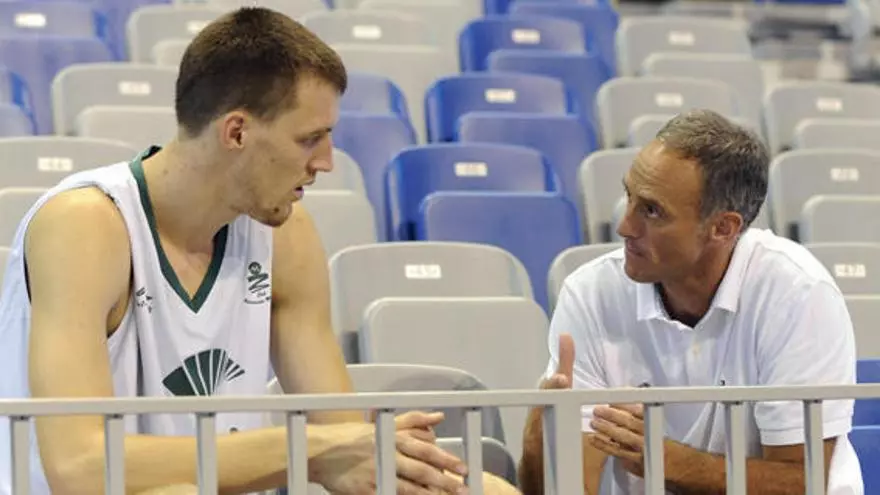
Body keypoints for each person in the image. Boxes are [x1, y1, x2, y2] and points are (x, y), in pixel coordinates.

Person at [0, 7, 517, 495]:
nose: (327, 162)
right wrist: (309, 449)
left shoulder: (286, 235)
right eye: (310, 139)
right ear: (237, 131)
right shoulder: (86, 224)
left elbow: (344, 444)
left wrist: (419, 468)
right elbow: (80, 466)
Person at [518, 109, 862, 495]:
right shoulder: (590, 294)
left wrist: (668, 462)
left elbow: (801, 482)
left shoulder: (798, 293)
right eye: (629, 196)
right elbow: (574, 485)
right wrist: (538, 443)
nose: (624, 226)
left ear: (723, 228)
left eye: (652, 211)